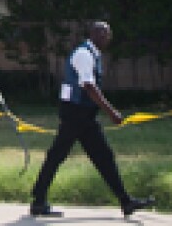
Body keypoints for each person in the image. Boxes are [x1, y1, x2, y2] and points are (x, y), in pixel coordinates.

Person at [28, 20, 155, 219]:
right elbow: (88, 86)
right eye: (101, 34)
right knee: (66, 156)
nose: (105, 38)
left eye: (107, 34)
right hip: (76, 113)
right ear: (92, 35)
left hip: (81, 114)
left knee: (96, 156)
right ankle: (38, 201)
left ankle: (125, 201)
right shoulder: (84, 54)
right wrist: (111, 112)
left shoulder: (92, 54)